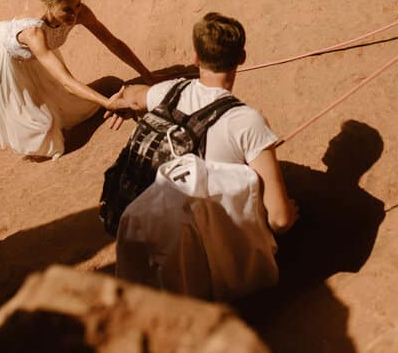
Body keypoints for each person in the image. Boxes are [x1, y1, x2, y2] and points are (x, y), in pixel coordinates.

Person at [107, 12, 298, 235]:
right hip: (197, 249)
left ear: (196, 58)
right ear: (242, 57)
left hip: (142, 230)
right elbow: (280, 220)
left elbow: (134, 95)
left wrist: (123, 102)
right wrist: (287, 216)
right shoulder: (247, 123)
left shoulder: (168, 92)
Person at [0, 0, 153, 159]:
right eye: (67, 9)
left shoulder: (81, 13)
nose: (74, 14)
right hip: (8, 65)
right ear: (49, 4)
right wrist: (108, 103)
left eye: (77, 5)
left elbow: (113, 42)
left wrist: (147, 74)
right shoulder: (34, 34)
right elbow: (66, 81)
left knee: (72, 106)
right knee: (44, 132)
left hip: (40, 56)